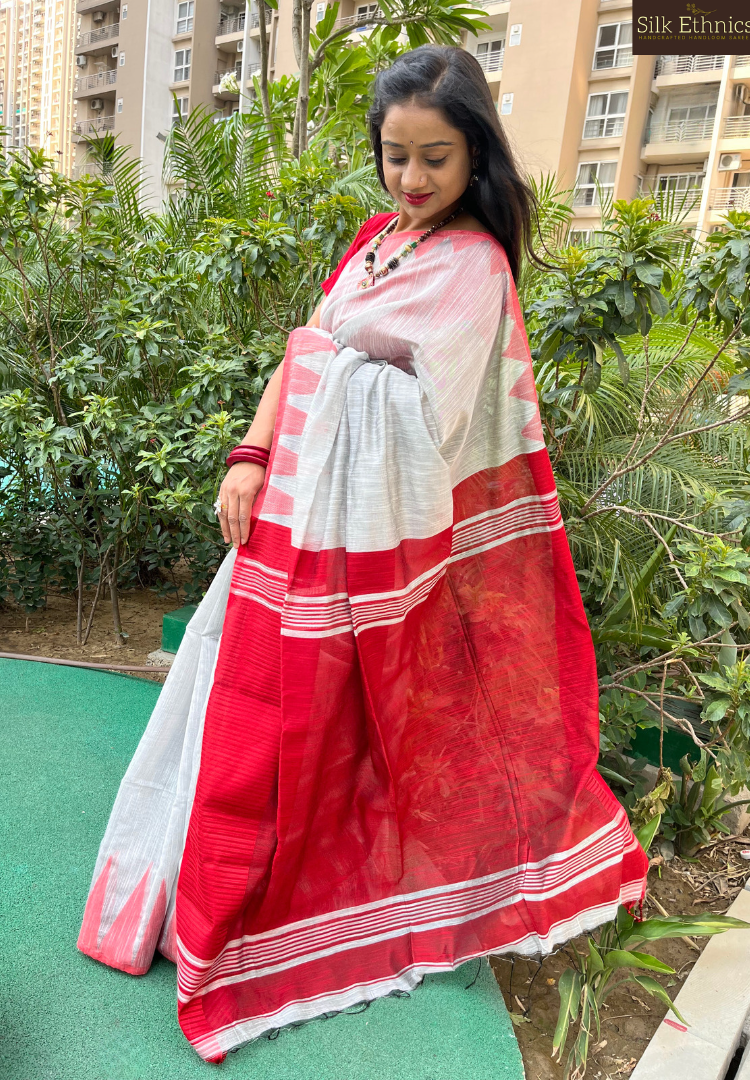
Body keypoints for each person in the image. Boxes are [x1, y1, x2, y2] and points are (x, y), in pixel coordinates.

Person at [78, 45, 648, 1063]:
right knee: (242, 715)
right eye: (396, 156)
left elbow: (430, 418)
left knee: (325, 735)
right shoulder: (376, 241)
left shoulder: (473, 265)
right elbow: (309, 347)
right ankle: (184, 901)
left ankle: (277, 916)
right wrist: (251, 454)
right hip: (292, 522)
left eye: (435, 159)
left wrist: (334, 373)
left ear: (474, 157)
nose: (412, 179)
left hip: (369, 553)